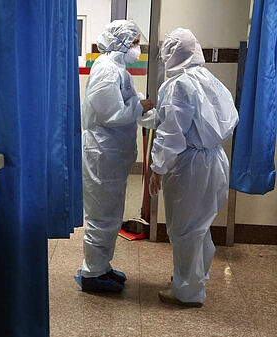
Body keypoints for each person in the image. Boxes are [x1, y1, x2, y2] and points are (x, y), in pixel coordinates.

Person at [149, 28, 239, 307]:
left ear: (173, 53)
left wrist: (158, 167)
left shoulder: (178, 85)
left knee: (184, 229)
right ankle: (195, 277)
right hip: (214, 160)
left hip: (190, 165)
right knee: (200, 225)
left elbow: (172, 133)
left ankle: (187, 291)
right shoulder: (209, 80)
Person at [76, 20, 154, 292]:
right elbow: (110, 114)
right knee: (102, 215)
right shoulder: (108, 69)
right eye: (134, 42)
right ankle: (92, 274)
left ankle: (101, 266)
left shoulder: (118, 69)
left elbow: (123, 102)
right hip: (102, 152)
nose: (137, 47)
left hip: (111, 153)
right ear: (122, 42)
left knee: (110, 212)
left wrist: (139, 106)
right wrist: (138, 106)